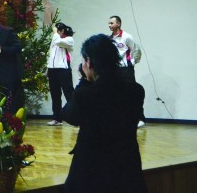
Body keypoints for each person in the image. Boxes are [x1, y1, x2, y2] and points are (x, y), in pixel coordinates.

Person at [62, 34, 147, 193]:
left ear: (88, 61)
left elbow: (69, 116)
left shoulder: (86, 94)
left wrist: (85, 81)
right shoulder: (136, 91)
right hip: (127, 166)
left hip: (91, 169)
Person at [108, 15, 145, 127]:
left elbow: (136, 50)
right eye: (109, 23)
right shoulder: (109, 39)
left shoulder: (127, 36)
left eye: (112, 23)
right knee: (115, 94)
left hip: (126, 70)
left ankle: (140, 119)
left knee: (132, 93)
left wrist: (132, 62)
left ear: (118, 24)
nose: (109, 25)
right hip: (114, 70)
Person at [46, 22, 75, 126]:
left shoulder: (69, 39)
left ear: (62, 31)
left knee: (69, 93)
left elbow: (58, 42)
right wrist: (48, 68)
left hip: (64, 69)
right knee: (55, 94)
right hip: (52, 70)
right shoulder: (55, 39)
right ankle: (57, 118)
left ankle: (76, 117)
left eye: (58, 30)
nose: (55, 33)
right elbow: (50, 54)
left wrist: (55, 33)